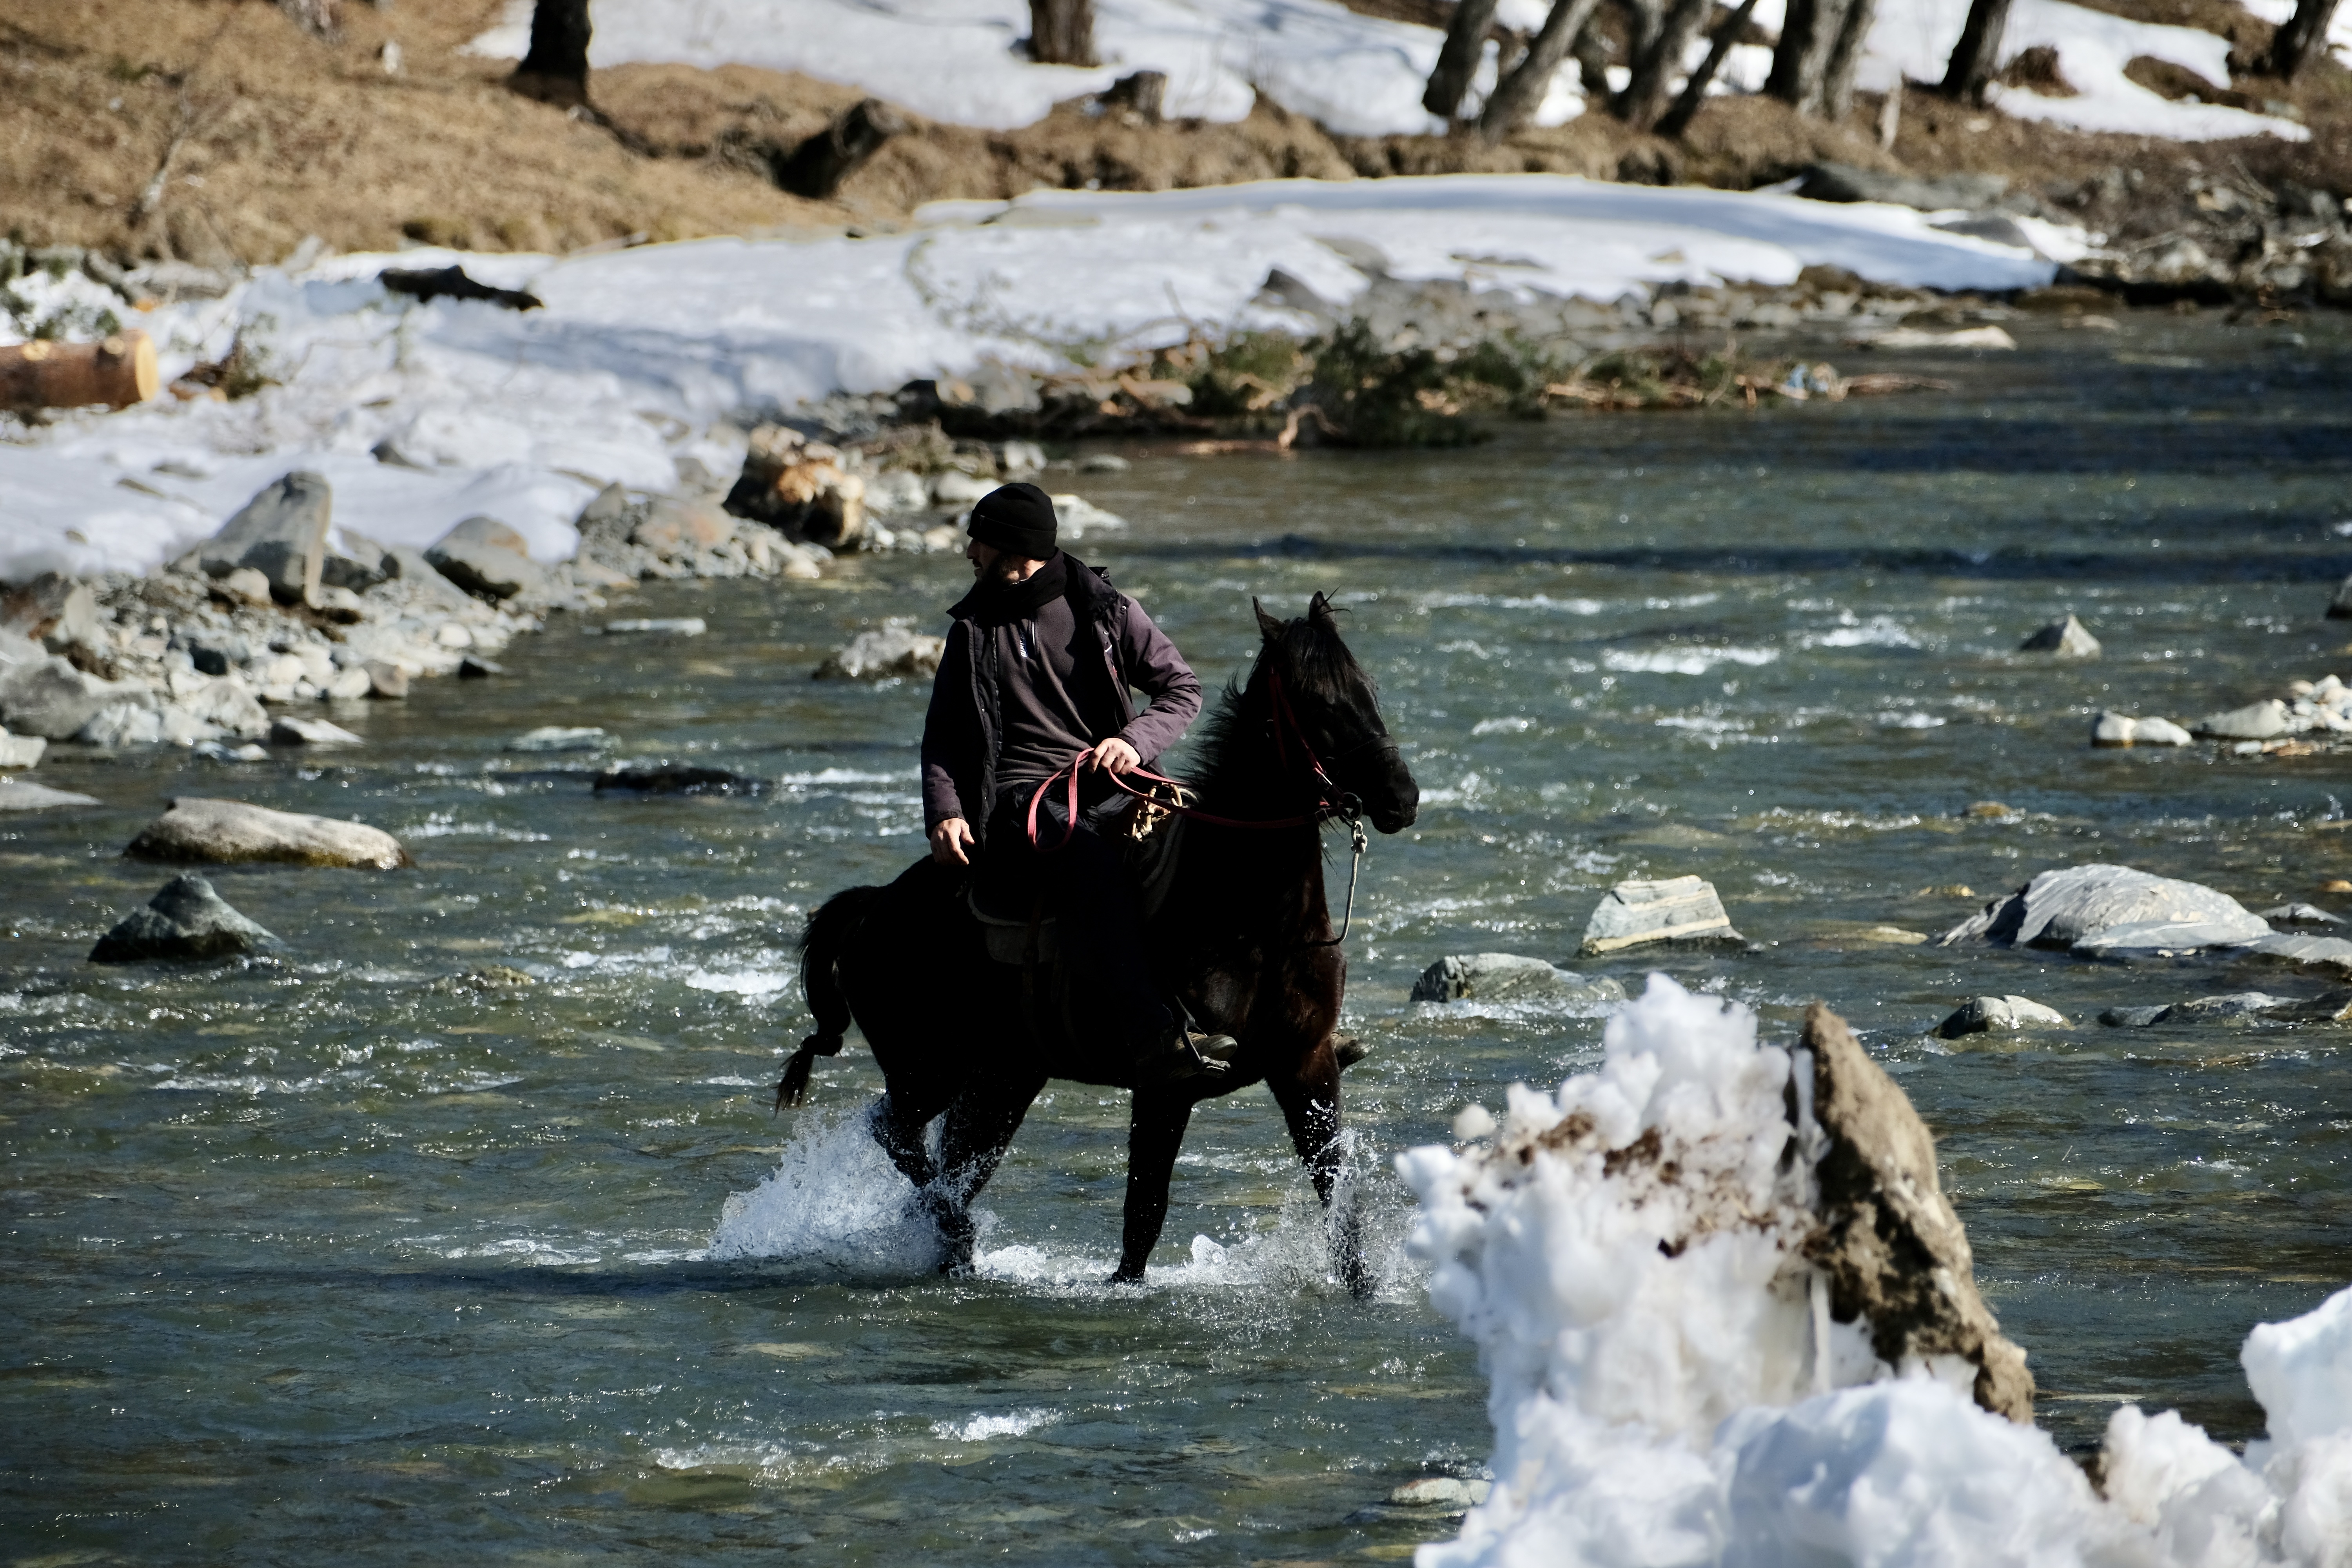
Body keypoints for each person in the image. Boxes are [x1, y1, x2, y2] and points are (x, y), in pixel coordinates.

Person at [919, 481, 1237, 1084]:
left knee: (1226, 847)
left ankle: (1294, 1024)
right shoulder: (971, 630)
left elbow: (1182, 689)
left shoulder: (1106, 608)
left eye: (980, 542)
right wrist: (945, 811)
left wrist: (1133, 742)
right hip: (1023, 798)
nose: (970, 555)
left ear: (1018, 550)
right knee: (1089, 862)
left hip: (1123, 782)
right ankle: (1154, 1036)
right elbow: (943, 735)